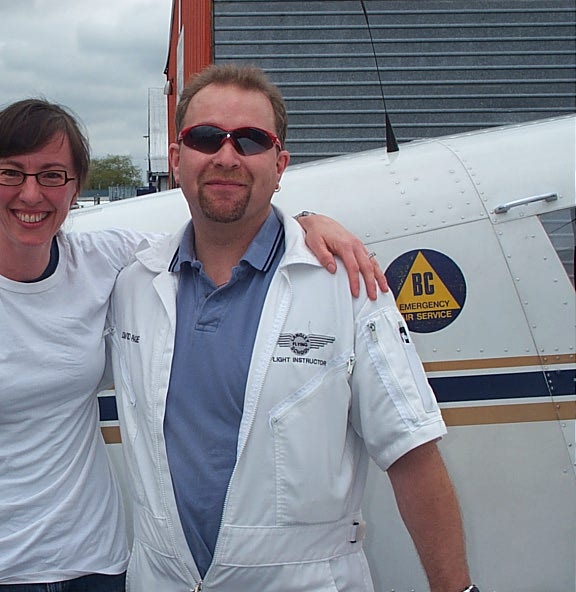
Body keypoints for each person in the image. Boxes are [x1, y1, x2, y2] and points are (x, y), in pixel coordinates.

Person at [0, 98, 385, 592]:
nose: (31, 194)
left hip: (97, 565)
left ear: (75, 187)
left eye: (53, 175)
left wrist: (308, 222)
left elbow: (223, 230)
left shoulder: (110, 260)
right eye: (12, 172)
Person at [106, 64, 475, 591]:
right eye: (205, 138)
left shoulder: (347, 287)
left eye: (251, 141)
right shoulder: (132, 285)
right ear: (176, 159)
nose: (227, 156)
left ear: (279, 166)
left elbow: (411, 453)